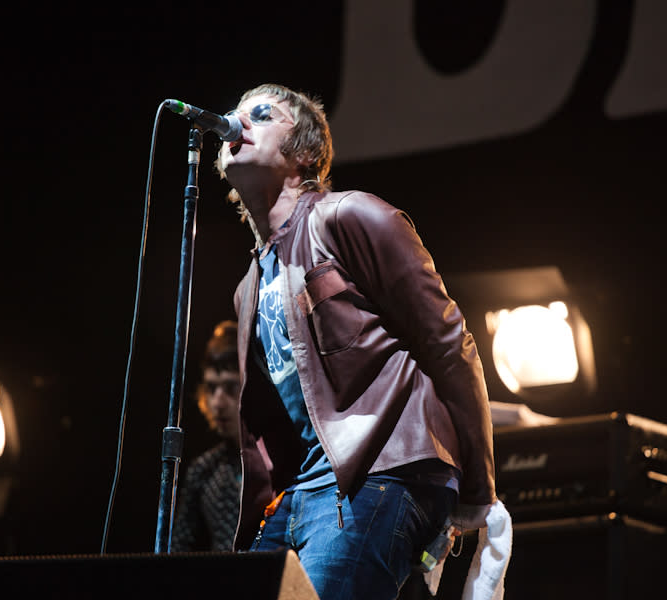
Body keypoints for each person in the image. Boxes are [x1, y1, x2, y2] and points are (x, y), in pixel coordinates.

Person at [214, 83, 509, 600]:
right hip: (305, 491)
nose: (238, 123)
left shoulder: (352, 216)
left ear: (304, 150)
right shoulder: (248, 289)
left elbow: (448, 343)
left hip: (386, 467)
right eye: (233, 115)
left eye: (261, 114)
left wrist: (480, 490)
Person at [169, 320, 242, 552]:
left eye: (231, 388)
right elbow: (180, 552)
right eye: (212, 388)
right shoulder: (204, 470)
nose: (218, 402)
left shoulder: (286, 463)